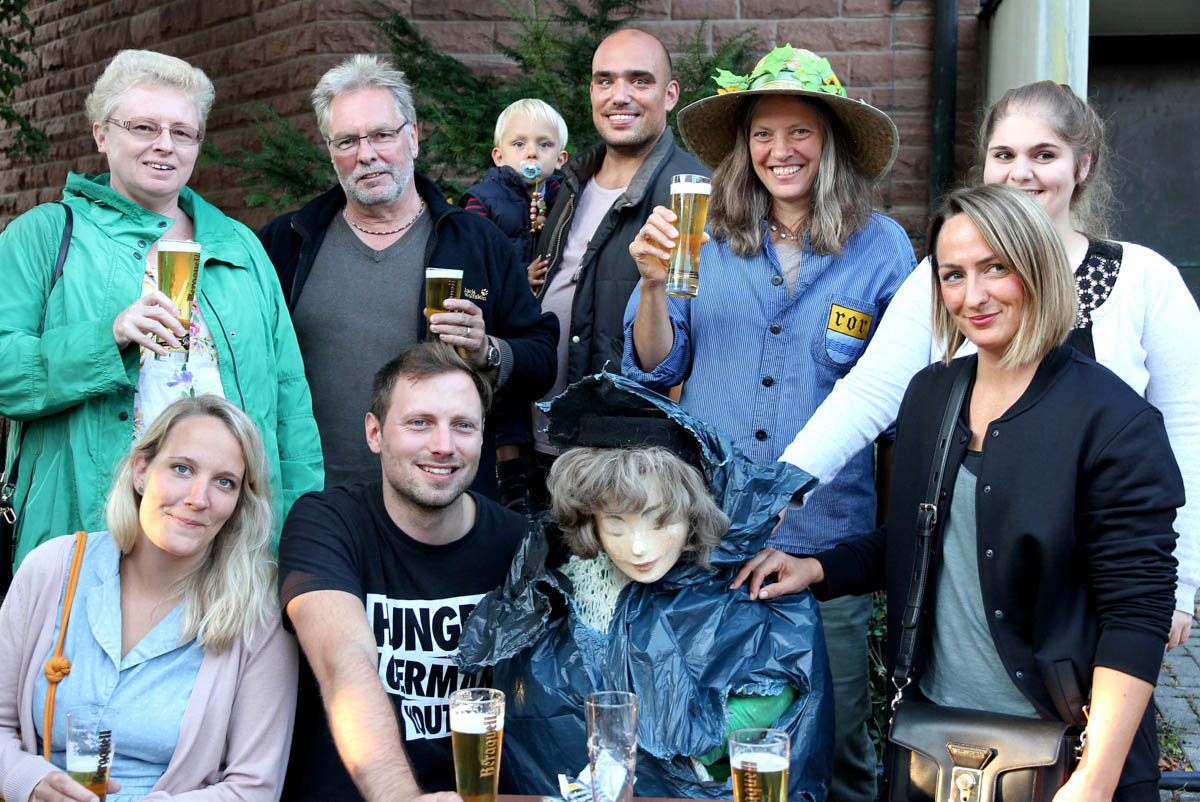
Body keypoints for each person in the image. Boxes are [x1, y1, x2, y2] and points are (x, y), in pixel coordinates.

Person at [736, 184, 1183, 801]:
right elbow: (927, 538)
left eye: (995, 268)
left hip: (1063, 756)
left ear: (1038, 267)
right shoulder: (932, 395)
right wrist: (816, 567)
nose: (972, 296)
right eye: (952, 275)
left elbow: (1137, 612)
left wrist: (1096, 780)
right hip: (936, 746)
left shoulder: (1111, 420)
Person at [776, 79, 1200, 650]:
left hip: (1100, 587)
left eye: (1043, 155)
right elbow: (867, 394)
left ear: (1083, 165)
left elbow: (1188, 430)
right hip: (971, 592)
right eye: (1003, 155)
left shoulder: (1144, 280)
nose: (1020, 173)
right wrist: (779, 490)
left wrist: (1180, 583)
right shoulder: (947, 277)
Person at [622, 45, 913, 799]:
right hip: (707, 545)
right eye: (762, 134)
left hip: (828, 557)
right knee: (705, 751)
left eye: (800, 132)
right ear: (742, 148)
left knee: (838, 747)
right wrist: (652, 288)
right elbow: (654, 371)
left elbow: (900, 410)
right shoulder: (699, 237)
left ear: (832, 142)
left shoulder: (882, 249)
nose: (779, 151)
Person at [0, 49, 322, 571]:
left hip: (226, 538)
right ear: (102, 134)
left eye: (183, 131)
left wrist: (300, 541)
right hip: (88, 531)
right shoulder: (42, 236)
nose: (164, 145)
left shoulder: (239, 245)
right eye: (144, 126)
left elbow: (290, 403)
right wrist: (108, 338)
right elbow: (6, 374)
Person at [457, 371, 833, 800]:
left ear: (692, 514)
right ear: (590, 521)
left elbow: (774, 694)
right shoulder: (549, 586)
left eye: (660, 522)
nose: (639, 548)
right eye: (615, 526)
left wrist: (697, 738)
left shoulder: (744, 597)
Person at [257, 55, 557, 497]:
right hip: (310, 504)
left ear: (413, 137)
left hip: (442, 509)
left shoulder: (475, 241)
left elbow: (542, 357)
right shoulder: (286, 243)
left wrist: (488, 351)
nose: (367, 154)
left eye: (382, 135)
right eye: (347, 141)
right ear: (330, 150)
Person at [0, 395, 299, 802]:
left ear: (239, 504)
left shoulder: (258, 615)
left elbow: (253, 787)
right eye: (181, 469)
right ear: (141, 471)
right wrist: (27, 781)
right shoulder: (53, 568)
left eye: (224, 482)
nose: (198, 497)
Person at [277, 343, 525, 802]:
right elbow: (343, 660)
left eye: (463, 426)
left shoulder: (520, 545)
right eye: (419, 423)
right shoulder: (327, 523)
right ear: (375, 433)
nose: (443, 446)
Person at [523, 28, 709, 505]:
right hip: (543, 448)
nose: (618, 96)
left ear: (670, 95)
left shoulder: (693, 194)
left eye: (639, 81)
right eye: (605, 81)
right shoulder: (569, 183)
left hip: (626, 462)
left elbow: (701, 334)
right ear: (591, 92)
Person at [459, 98, 569, 268]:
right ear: (499, 157)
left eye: (544, 144)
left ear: (560, 159)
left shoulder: (565, 197)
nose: (532, 152)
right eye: (519, 144)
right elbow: (472, 257)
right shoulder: (482, 200)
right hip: (501, 290)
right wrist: (522, 275)